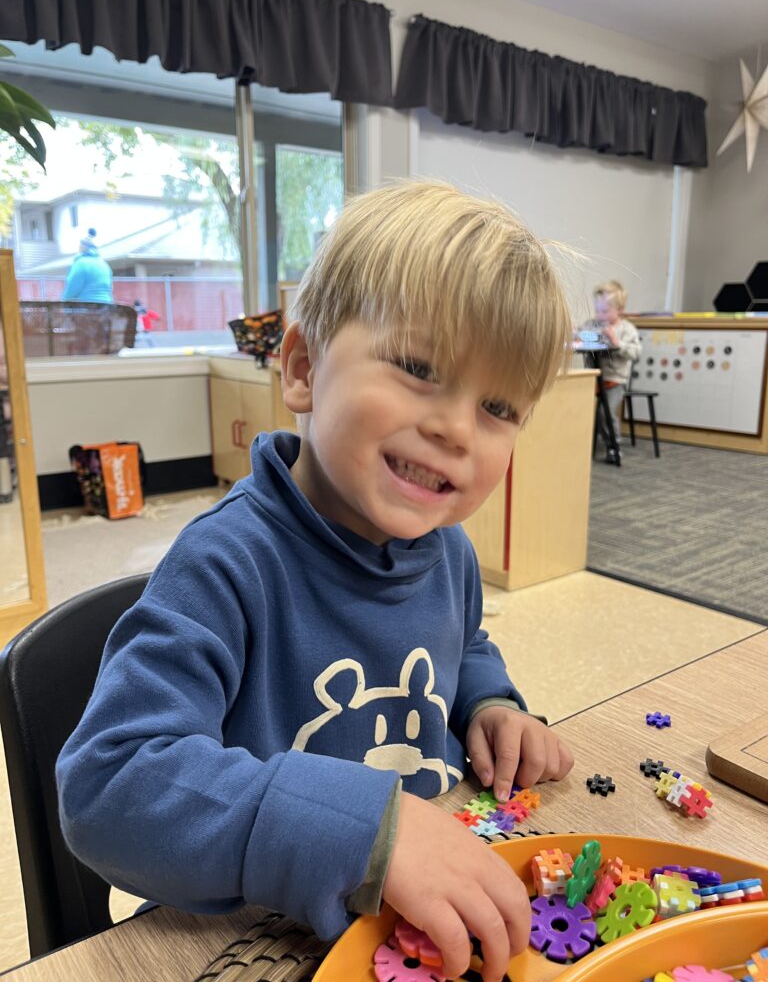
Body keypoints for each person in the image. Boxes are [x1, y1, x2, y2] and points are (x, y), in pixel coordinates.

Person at [56, 181, 575, 982]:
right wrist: (364, 833)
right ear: (302, 368)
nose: (455, 428)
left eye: (499, 408)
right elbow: (107, 786)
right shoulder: (225, 564)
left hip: (412, 926)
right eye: (417, 368)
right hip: (255, 941)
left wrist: (491, 703)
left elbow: (461, 640)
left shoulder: (448, 550)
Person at [585, 279, 642, 464]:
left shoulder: (627, 329)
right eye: (597, 310)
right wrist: (577, 334)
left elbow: (636, 352)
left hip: (615, 380)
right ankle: (582, 446)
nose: (600, 315)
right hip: (593, 378)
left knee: (606, 413)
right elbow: (582, 336)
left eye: (604, 311)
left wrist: (617, 343)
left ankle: (613, 446)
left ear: (620, 309)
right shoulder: (593, 324)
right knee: (580, 408)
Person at [62, 228, 114, 303]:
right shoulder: (104, 265)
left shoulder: (81, 263)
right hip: (106, 305)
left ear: (83, 247)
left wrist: (63, 301)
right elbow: (110, 288)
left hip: (86, 306)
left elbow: (72, 289)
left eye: (80, 245)